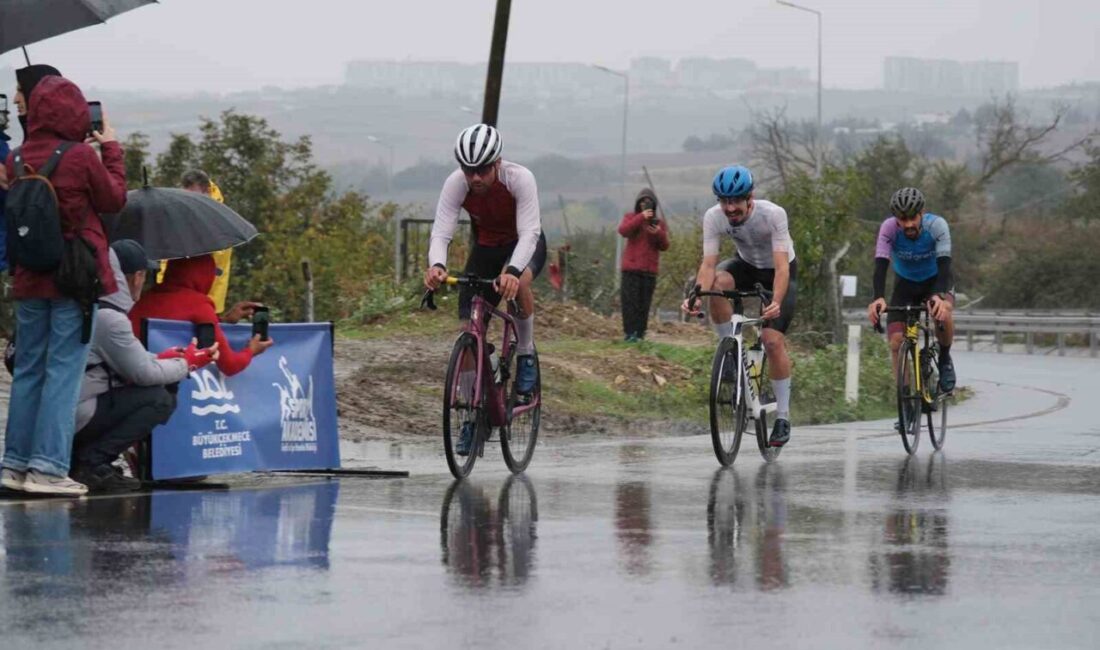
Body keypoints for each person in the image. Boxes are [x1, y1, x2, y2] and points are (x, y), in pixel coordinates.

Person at [1, 75, 127, 495]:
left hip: (29, 277)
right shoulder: (80, 157)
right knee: (63, 373)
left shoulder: (16, 158)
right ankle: (48, 468)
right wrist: (111, 149)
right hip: (74, 278)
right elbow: (113, 199)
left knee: (29, 372)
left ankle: (14, 464)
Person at [424, 123, 546, 455]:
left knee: (517, 283)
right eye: (468, 170)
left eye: (482, 170)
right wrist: (437, 265)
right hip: (487, 249)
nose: (475, 177)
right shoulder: (456, 184)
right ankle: (471, 417)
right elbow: (441, 232)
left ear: (497, 163)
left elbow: (530, 233)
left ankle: (525, 354)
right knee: (468, 330)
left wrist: (513, 271)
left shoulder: (520, 179)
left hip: (523, 244)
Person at [71, 240, 218, 493]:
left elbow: (128, 359)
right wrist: (188, 363)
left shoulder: (93, 306)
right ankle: (91, 463)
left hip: (69, 405)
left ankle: (82, 458)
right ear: (136, 276)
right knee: (159, 399)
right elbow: (144, 374)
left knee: (153, 390)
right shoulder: (111, 318)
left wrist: (163, 357)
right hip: (78, 411)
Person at [682, 165, 797, 448]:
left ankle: (783, 417)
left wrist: (776, 302)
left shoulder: (773, 214)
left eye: (735, 201)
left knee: (771, 341)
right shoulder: (713, 217)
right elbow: (708, 264)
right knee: (715, 284)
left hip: (778, 272)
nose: (730, 208)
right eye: (724, 201)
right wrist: (697, 295)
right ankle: (730, 352)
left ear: (750, 198)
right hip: (745, 266)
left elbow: (782, 267)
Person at [867, 187, 956, 395]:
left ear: (922, 213)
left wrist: (940, 297)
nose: (908, 224)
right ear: (895, 218)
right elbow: (880, 265)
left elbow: (945, 264)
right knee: (896, 342)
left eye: (912, 218)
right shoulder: (888, 228)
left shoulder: (937, 225)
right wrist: (878, 298)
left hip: (936, 280)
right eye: (902, 219)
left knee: (942, 312)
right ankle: (905, 398)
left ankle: (944, 357)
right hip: (906, 283)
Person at [129, 254, 272, 377]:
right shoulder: (198, 304)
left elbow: (175, 318)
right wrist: (251, 350)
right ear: (203, 276)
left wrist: (224, 320)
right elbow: (230, 366)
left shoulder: (144, 298)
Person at [174, 169, 258, 322]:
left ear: (206, 190)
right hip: (184, 293)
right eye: (186, 196)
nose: (190, 201)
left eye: (194, 196)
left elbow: (214, 261)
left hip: (206, 295)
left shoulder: (214, 217)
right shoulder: (191, 212)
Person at [617, 188, 670, 342]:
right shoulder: (631, 217)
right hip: (631, 269)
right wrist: (641, 217)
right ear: (638, 204)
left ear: (654, 205)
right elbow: (623, 231)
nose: (644, 205)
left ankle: (640, 334)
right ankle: (629, 334)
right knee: (629, 303)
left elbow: (665, 245)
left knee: (644, 304)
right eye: (642, 202)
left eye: (648, 203)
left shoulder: (659, 224)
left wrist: (658, 233)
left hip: (649, 270)